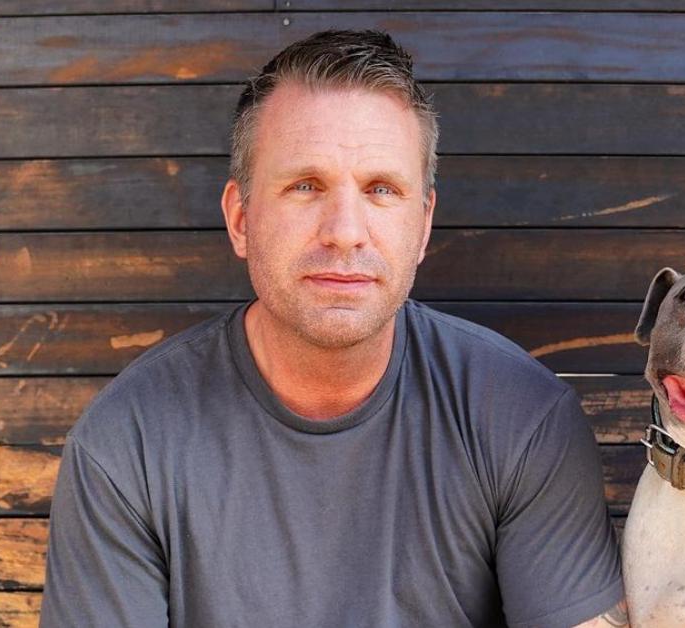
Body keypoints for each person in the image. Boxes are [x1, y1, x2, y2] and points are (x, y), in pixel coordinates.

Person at [40, 29, 627, 627]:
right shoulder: (126, 442)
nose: (344, 230)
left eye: (380, 189)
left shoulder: (522, 416)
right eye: (305, 186)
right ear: (241, 219)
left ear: (422, 226)